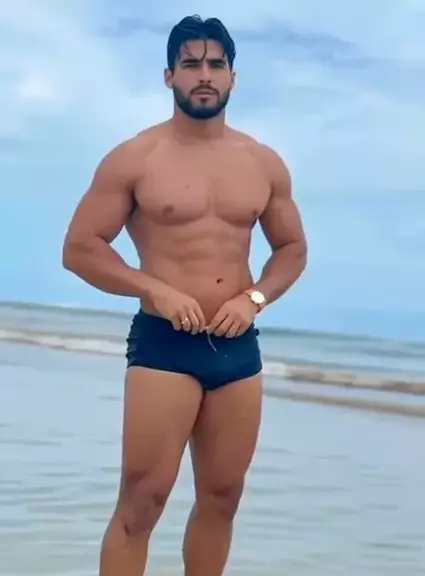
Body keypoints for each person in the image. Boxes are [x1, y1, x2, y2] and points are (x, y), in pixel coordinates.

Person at [62, 14, 307, 576]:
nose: (204, 75)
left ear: (232, 77)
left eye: (216, 64)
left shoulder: (262, 163)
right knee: (142, 500)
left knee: (223, 498)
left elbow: (292, 249)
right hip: (165, 346)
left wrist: (254, 300)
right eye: (191, 64)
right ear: (169, 75)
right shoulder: (136, 157)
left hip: (237, 349)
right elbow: (80, 248)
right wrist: (153, 288)